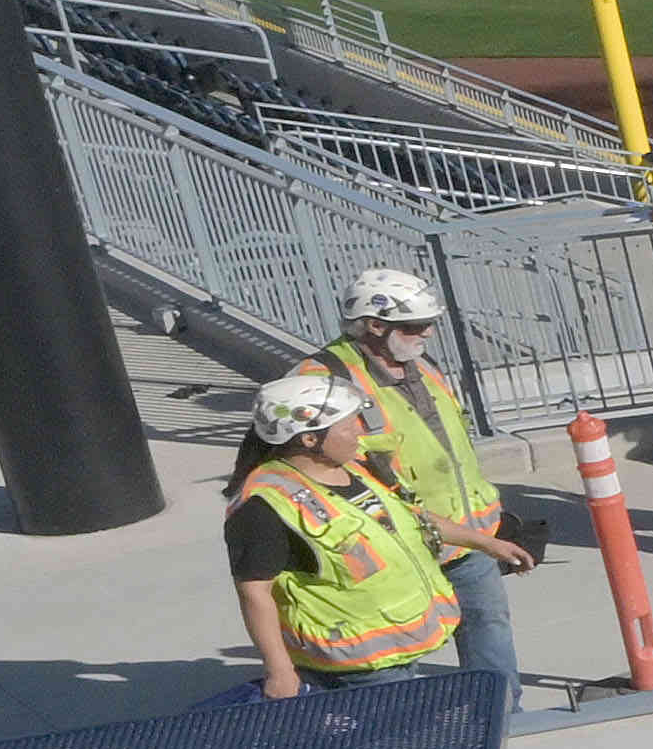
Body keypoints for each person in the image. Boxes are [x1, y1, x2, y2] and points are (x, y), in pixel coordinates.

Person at [334, 266, 540, 685]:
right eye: (417, 326)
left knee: (488, 628)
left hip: (466, 538)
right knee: (400, 650)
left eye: (431, 324)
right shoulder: (328, 382)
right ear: (375, 326)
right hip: (401, 546)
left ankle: (500, 715)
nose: (428, 333)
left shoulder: (421, 365)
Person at [220, 369, 464, 699]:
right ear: (310, 439)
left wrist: (488, 543)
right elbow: (254, 593)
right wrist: (279, 672)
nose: (359, 434)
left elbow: (410, 518)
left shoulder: (353, 468)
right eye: (348, 426)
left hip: (394, 651)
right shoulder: (263, 506)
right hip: (356, 669)